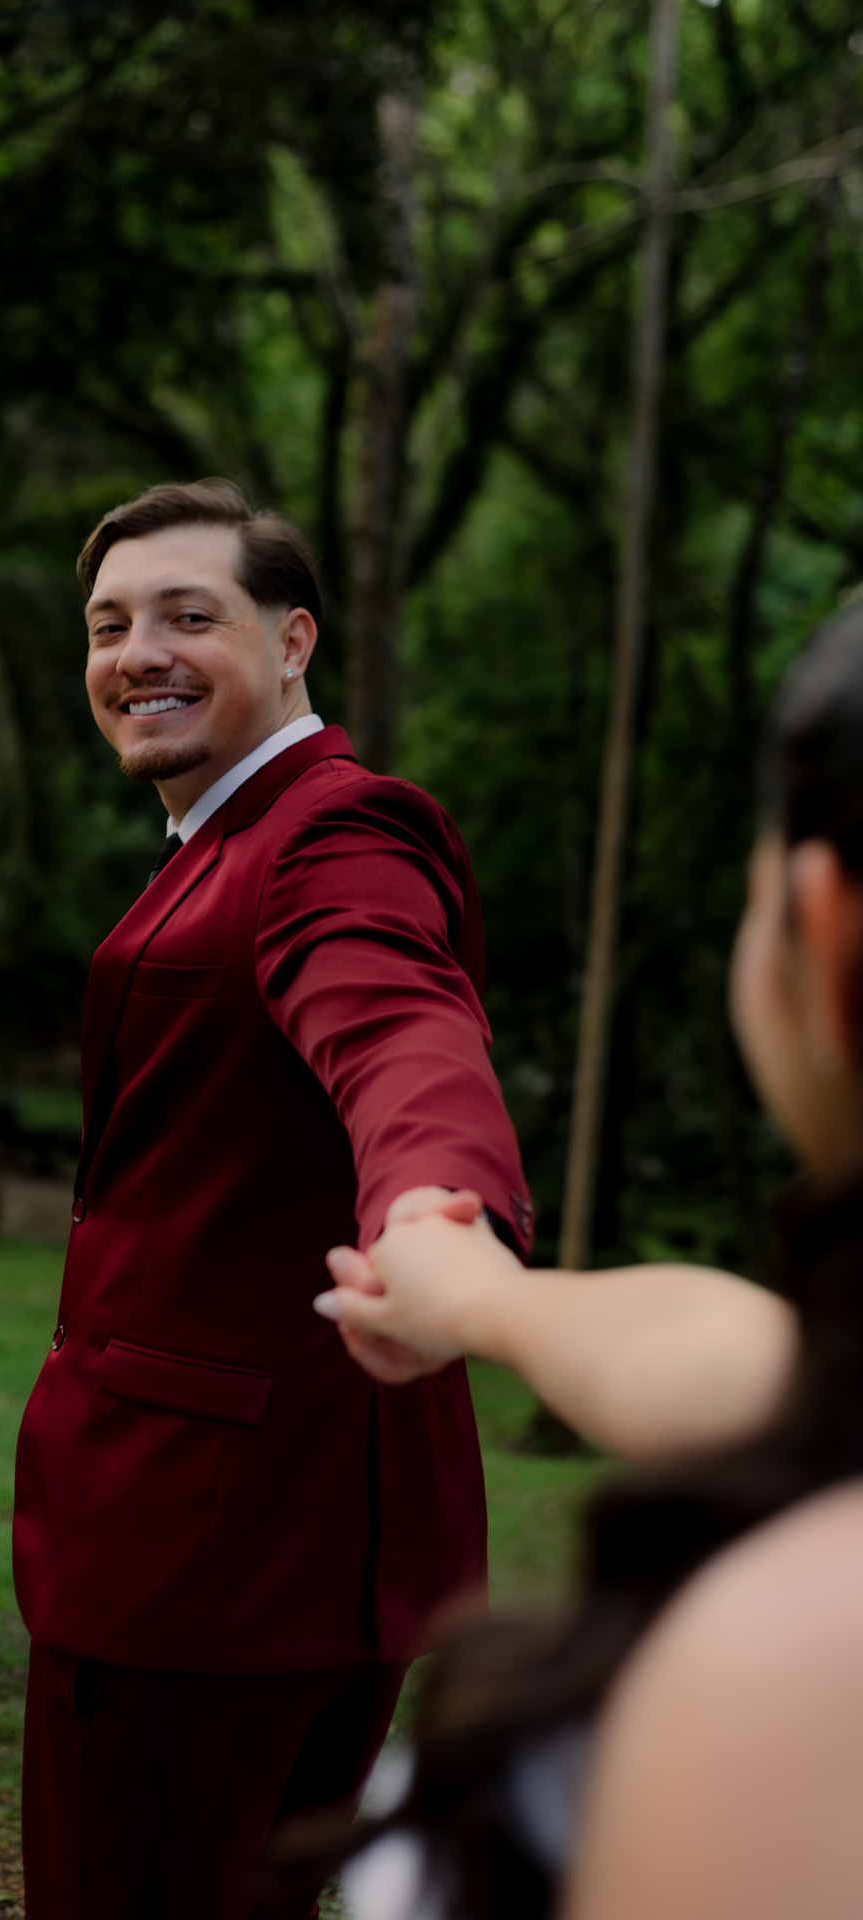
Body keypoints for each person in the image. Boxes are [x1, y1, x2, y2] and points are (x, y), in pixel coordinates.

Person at [11, 479, 534, 1920]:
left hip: (193, 1552)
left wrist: (437, 1215)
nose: (139, 654)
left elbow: (399, 1032)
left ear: (294, 640)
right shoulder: (228, 839)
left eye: (190, 616)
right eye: (108, 625)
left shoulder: (329, 838)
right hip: (312, 1546)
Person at [309, 603, 863, 1919]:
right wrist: (482, 1298)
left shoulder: (779, 1680)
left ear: (826, 934)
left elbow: (396, 1024)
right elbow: (738, 1362)